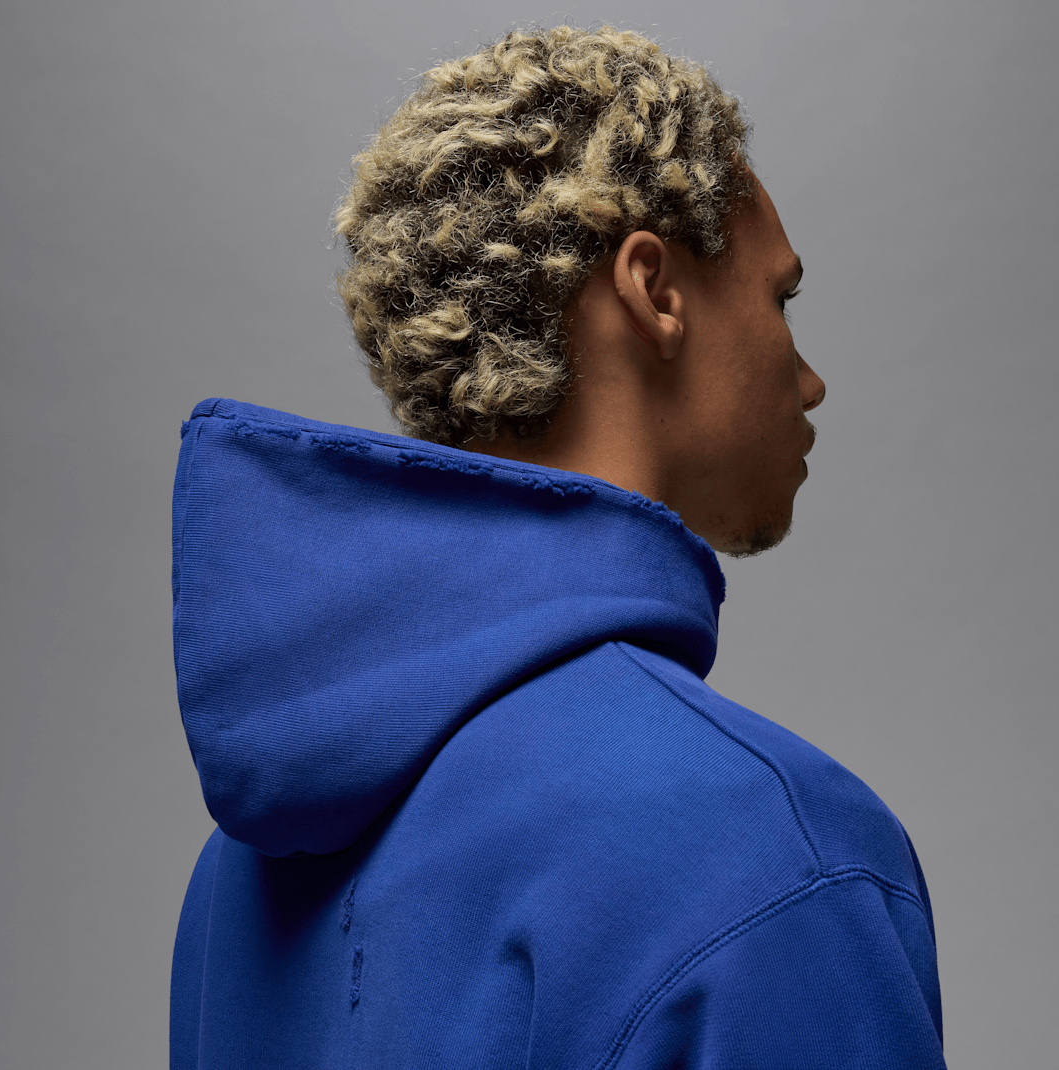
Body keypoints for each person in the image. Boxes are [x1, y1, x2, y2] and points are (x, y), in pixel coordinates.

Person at [169, 26, 945, 1069]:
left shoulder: (238, 876)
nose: (808, 380)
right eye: (779, 297)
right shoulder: (767, 852)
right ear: (653, 291)